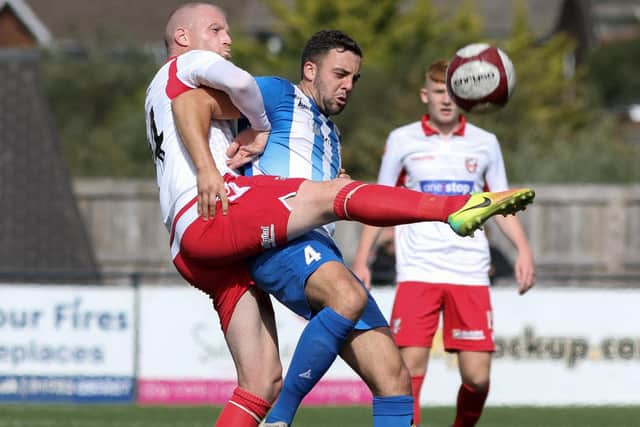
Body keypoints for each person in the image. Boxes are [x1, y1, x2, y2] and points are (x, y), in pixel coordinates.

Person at [146, 4, 534, 425]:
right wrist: (235, 145)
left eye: (355, 78)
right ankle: (455, 209)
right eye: (340, 74)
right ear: (310, 70)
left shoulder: (331, 133)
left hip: (313, 243)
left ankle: (276, 409)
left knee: (393, 377)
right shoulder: (277, 95)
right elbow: (191, 104)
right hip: (280, 241)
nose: (349, 85)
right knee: (346, 289)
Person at [352, 59, 536, 427]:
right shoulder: (402, 140)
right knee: (408, 370)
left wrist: (524, 251)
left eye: (454, 92)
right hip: (418, 268)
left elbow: (500, 203)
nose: (446, 100)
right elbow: (378, 201)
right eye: (438, 91)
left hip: (469, 269)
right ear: (425, 95)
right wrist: (362, 259)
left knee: (477, 377)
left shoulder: (486, 143)